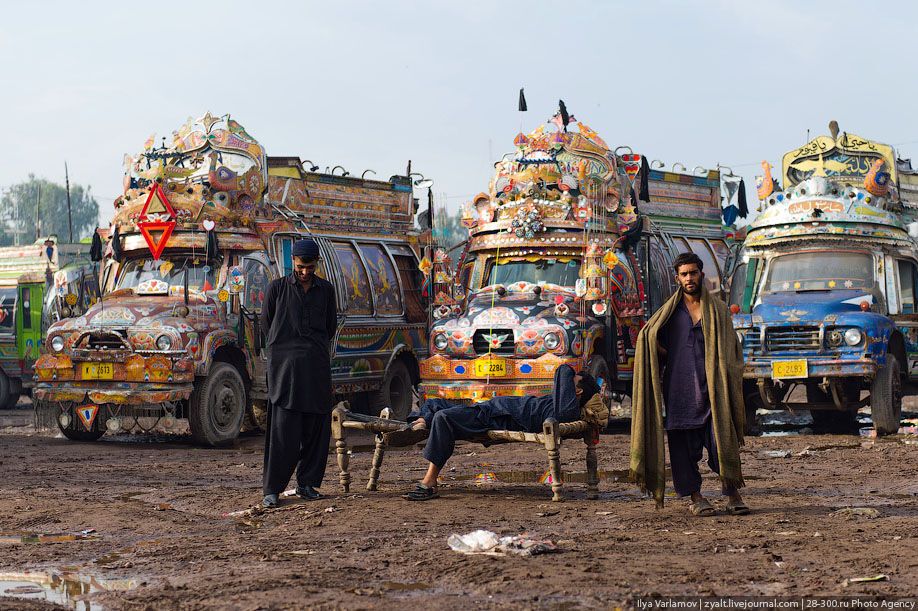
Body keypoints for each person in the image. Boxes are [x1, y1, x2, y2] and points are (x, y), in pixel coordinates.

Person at [630, 252, 749, 516]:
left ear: (701, 274)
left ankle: (733, 494)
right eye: (684, 274)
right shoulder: (669, 313)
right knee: (683, 452)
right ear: (677, 278)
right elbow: (648, 338)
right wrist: (661, 353)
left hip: (713, 392)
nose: (689, 278)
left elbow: (733, 350)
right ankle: (696, 498)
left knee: (722, 443)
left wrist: (727, 373)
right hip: (680, 393)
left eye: (693, 273)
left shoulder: (717, 310)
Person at [402, 365, 601, 501]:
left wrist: (572, 371)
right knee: (433, 403)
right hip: (491, 407)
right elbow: (563, 375)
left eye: (570, 382)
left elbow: (563, 369)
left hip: (495, 416)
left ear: (577, 392)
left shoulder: (566, 409)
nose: (562, 384)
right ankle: (422, 421)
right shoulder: (559, 402)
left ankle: (429, 481)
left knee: (443, 417)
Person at [261, 238, 337, 508]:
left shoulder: (326, 290)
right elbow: (267, 327)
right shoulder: (277, 289)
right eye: (301, 266)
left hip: (316, 369)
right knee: (283, 433)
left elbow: (330, 327)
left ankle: (307, 484)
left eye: (310, 266)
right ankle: (272, 489)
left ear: (317, 264)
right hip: (285, 372)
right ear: (293, 262)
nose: (305, 271)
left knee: (316, 430)